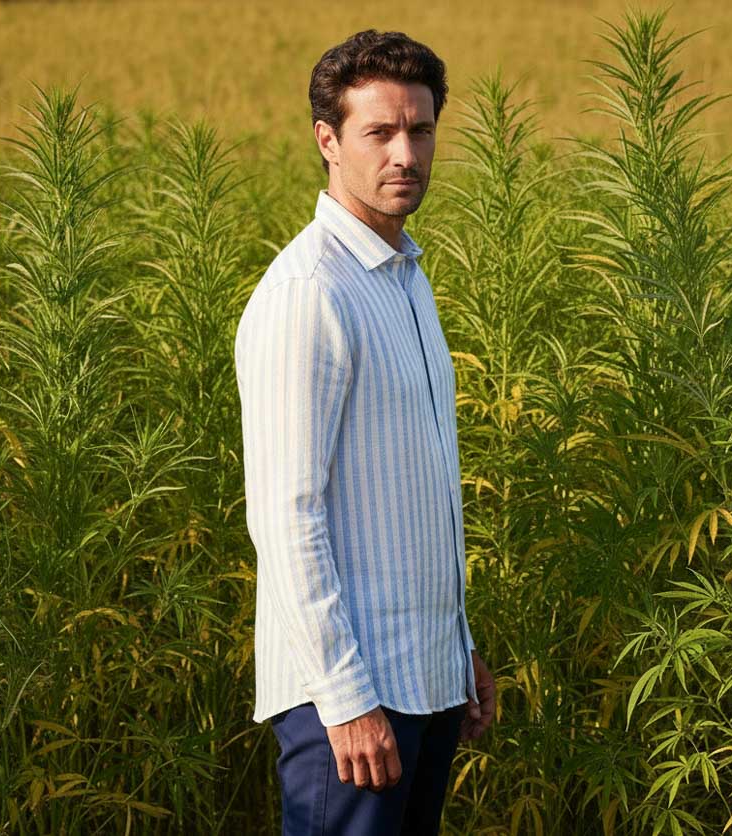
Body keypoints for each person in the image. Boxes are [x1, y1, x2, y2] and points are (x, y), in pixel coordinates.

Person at [234, 28, 496, 835]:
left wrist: (460, 650)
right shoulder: (311, 291)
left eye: (419, 130)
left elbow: (409, 493)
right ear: (328, 140)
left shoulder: (404, 278)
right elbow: (285, 515)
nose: (404, 155)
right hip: (346, 706)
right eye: (378, 132)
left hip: (424, 682)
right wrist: (346, 702)